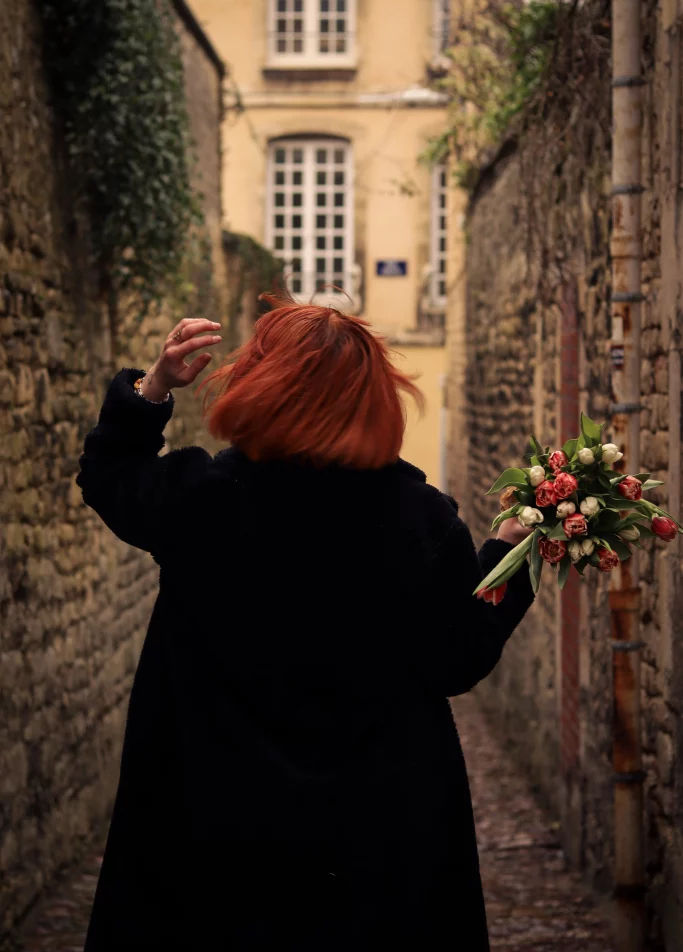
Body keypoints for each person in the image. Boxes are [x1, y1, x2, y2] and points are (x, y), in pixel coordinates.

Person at [76, 297, 534, 951]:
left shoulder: (200, 501)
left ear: (258, 386)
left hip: (212, 832)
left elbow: (108, 475)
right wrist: (506, 557)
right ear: (373, 399)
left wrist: (154, 386)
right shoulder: (420, 521)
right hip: (377, 847)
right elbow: (456, 657)